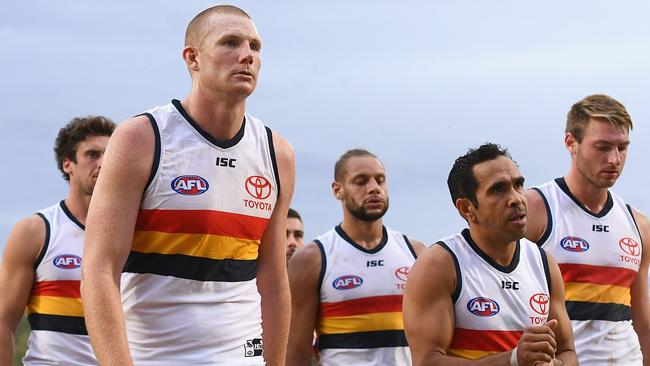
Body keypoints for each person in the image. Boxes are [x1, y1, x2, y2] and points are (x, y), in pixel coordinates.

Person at [81, 5, 295, 366]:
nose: (247, 56)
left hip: (242, 356)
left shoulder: (277, 153)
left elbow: (273, 281)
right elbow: (99, 269)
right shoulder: (142, 138)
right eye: (230, 43)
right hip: (155, 357)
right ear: (192, 58)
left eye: (255, 47)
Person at [403, 143, 577, 366]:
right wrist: (513, 360)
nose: (516, 198)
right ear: (466, 209)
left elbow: (568, 352)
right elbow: (427, 361)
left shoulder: (544, 263)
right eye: (498, 189)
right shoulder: (439, 264)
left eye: (518, 185)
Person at [525, 94, 650, 365]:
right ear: (571, 142)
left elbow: (643, 324)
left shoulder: (637, 223)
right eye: (602, 147)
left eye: (622, 147)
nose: (614, 159)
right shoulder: (535, 209)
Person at [287, 149, 426, 366]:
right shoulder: (312, 259)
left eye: (380, 180)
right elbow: (296, 353)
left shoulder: (416, 253)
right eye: (361, 181)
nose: (374, 188)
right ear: (337, 190)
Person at [0, 116, 115, 365]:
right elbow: (4, 321)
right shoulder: (36, 231)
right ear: (67, 164)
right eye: (92, 154)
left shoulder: (136, 233)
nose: (103, 163)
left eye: (110, 154)